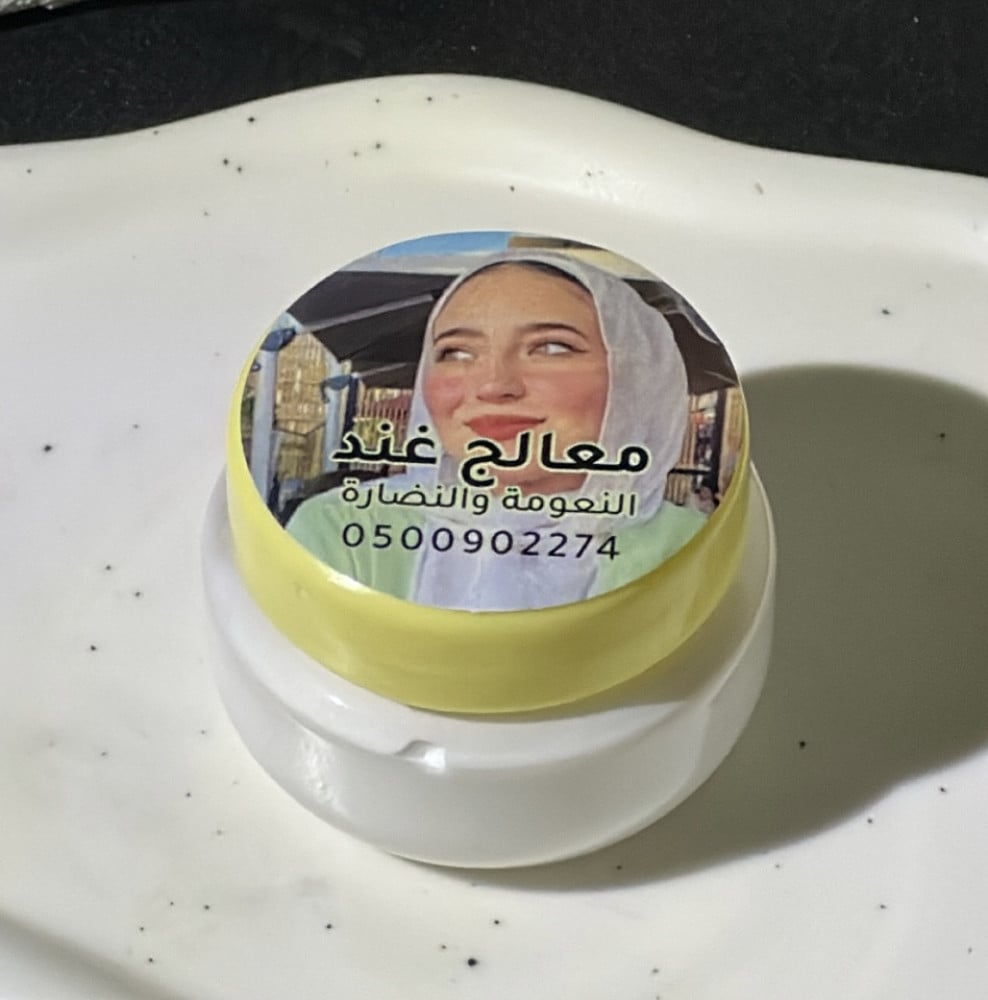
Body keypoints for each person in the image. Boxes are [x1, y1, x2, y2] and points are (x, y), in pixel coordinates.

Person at [286, 251, 707, 611]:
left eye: (551, 347)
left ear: (636, 376)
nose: (494, 385)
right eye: (456, 352)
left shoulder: (697, 551)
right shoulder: (341, 529)